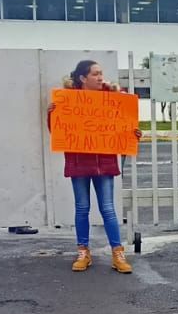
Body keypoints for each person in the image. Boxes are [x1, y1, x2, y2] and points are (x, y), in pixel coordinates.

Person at [48, 60, 141, 274]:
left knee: (108, 208)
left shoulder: (114, 98)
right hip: (80, 162)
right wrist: (53, 114)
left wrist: (133, 134)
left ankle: (117, 253)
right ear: (83, 78)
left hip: (104, 163)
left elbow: (125, 125)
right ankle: (83, 251)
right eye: (95, 74)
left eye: (101, 73)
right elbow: (59, 131)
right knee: (82, 208)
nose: (100, 77)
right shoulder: (68, 100)